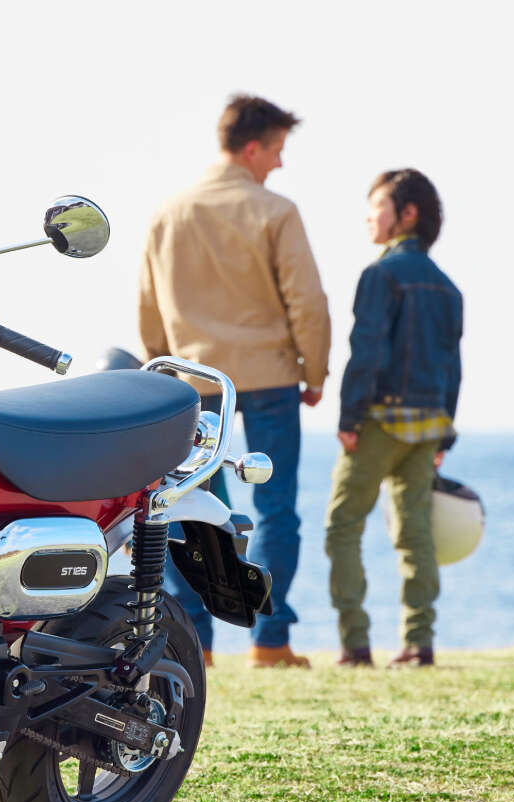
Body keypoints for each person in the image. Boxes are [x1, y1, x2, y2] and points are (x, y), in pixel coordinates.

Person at [138, 93, 330, 669]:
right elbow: (308, 301)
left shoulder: (169, 212)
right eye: (276, 150)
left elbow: (149, 306)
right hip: (270, 377)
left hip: (194, 380)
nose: (280, 162)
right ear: (252, 148)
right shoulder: (276, 211)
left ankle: (194, 641)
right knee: (276, 509)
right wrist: (315, 371)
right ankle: (269, 640)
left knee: (186, 506)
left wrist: (162, 369)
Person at [324, 169, 462, 668]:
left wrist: (349, 418)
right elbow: (453, 367)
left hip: (380, 420)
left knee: (343, 526)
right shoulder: (448, 288)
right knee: (415, 534)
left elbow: (366, 352)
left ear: (407, 214)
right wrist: (445, 432)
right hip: (428, 426)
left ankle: (355, 644)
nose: (369, 215)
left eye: (377, 205)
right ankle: (419, 641)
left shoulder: (380, 275)